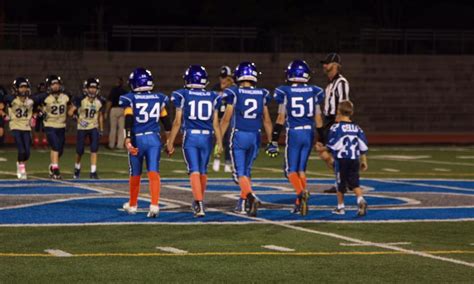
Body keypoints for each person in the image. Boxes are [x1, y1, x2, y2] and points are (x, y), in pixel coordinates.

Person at [269, 60, 325, 216]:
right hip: (309, 132)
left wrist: (274, 139)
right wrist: (322, 138)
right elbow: (319, 119)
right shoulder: (314, 91)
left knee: (290, 170)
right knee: (301, 169)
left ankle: (301, 192)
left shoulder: (285, 91)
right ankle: (299, 203)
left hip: (294, 132)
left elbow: (281, 118)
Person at [167, 65, 223, 217]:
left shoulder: (183, 94)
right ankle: (199, 201)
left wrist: (170, 141)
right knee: (203, 171)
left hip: (191, 136)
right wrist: (219, 142)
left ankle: (199, 203)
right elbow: (216, 123)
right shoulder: (213, 96)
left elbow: (177, 122)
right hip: (207, 137)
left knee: (194, 170)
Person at [220, 62, 273, 217]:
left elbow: (226, 119)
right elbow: (267, 120)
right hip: (256, 136)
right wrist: (272, 141)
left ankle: (251, 197)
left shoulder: (234, 92)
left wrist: (218, 140)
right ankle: (242, 203)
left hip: (239, 135)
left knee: (239, 173)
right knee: (247, 171)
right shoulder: (262, 93)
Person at [120, 68, 172, 218]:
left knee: (135, 173)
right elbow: (166, 122)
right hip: (154, 139)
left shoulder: (130, 98)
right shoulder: (159, 97)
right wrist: (168, 140)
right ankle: (154, 205)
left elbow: (129, 119)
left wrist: (128, 138)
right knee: (153, 171)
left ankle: (133, 204)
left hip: (138, 138)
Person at [316, 101, 368, 216]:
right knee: (355, 184)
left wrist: (321, 149)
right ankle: (360, 199)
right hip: (354, 159)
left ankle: (341, 207)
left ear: (338, 111)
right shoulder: (357, 128)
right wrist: (364, 160)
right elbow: (363, 146)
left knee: (340, 185)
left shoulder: (336, 127)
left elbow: (334, 145)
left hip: (342, 159)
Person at [318, 53, 350, 193]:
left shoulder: (341, 82)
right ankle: (344, 180)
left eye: (327, 63)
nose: (324, 65)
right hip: (328, 121)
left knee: (332, 152)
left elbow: (343, 103)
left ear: (335, 65)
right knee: (323, 151)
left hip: (335, 120)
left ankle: (343, 181)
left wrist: (340, 121)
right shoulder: (330, 84)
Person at [34, 75, 71, 179]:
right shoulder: (44, 97)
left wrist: (73, 112)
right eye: (53, 84)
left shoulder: (66, 96)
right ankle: (55, 170)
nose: (55, 86)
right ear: (49, 86)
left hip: (61, 125)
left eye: (57, 84)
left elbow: (70, 107)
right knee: (55, 146)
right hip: (50, 125)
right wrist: (38, 112)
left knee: (60, 150)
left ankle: (52, 165)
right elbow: (32, 103)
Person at [68, 78, 105, 179]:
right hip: (82, 128)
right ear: (86, 89)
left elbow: (100, 115)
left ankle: (93, 172)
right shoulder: (80, 99)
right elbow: (70, 112)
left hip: (94, 127)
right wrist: (78, 119)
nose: (93, 90)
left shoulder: (100, 101)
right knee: (79, 151)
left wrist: (101, 129)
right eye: (91, 87)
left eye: (94, 88)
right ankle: (77, 167)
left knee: (94, 149)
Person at [3, 78, 34, 179]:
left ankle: (20, 163)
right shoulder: (10, 99)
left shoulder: (31, 100)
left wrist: (35, 116)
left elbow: (40, 107)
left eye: (25, 87)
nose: (24, 89)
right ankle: (21, 168)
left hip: (26, 127)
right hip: (15, 126)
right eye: (21, 87)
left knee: (28, 153)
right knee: (21, 150)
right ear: (16, 89)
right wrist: (4, 115)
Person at [211, 66, 234, 173]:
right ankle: (216, 159)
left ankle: (228, 162)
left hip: (229, 118)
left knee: (229, 140)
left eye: (224, 77)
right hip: (218, 117)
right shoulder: (215, 88)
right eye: (221, 77)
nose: (222, 79)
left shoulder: (233, 89)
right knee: (217, 140)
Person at [106, 77, 127, 149]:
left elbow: (109, 101)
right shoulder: (124, 91)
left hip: (114, 109)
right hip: (122, 109)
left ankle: (111, 144)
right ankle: (120, 145)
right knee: (121, 129)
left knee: (113, 128)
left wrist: (106, 111)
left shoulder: (113, 90)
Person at [31, 82, 48, 148]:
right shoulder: (45, 95)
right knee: (38, 128)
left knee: (41, 128)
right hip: (38, 112)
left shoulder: (45, 95)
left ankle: (40, 142)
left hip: (40, 112)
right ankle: (39, 142)